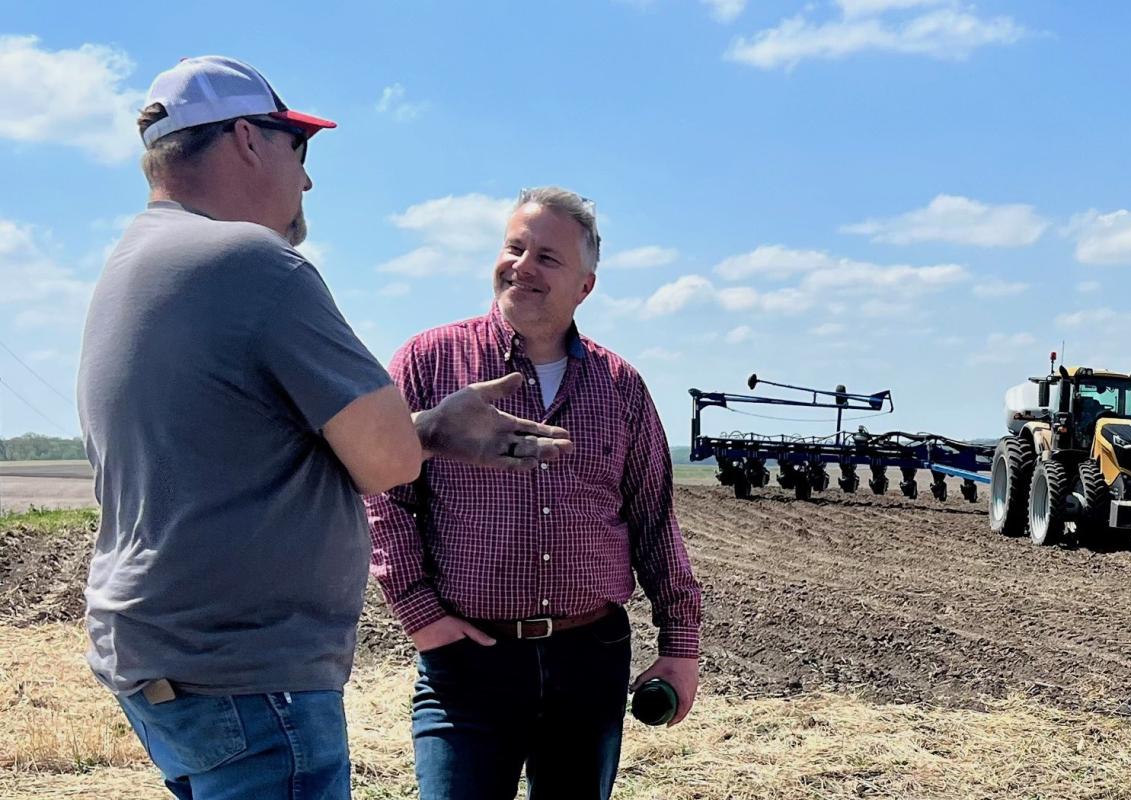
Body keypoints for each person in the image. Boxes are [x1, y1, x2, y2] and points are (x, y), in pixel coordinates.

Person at [76, 55, 572, 799]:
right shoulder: (254, 263)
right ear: (247, 138)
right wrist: (430, 432)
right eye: (297, 149)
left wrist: (423, 429)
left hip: (164, 666)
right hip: (250, 680)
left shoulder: (132, 266)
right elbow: (385, 461)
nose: (306, 180)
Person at [366, 187, 702, 799]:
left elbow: (655, 519)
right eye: (514, 247)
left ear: (585, 286)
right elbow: (384, 498)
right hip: (468, 659)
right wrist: (423, 617)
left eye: (547, 257)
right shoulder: (427, 362)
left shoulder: (619, 385)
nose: (522, 265)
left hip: (590, 657)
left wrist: (680, 647)